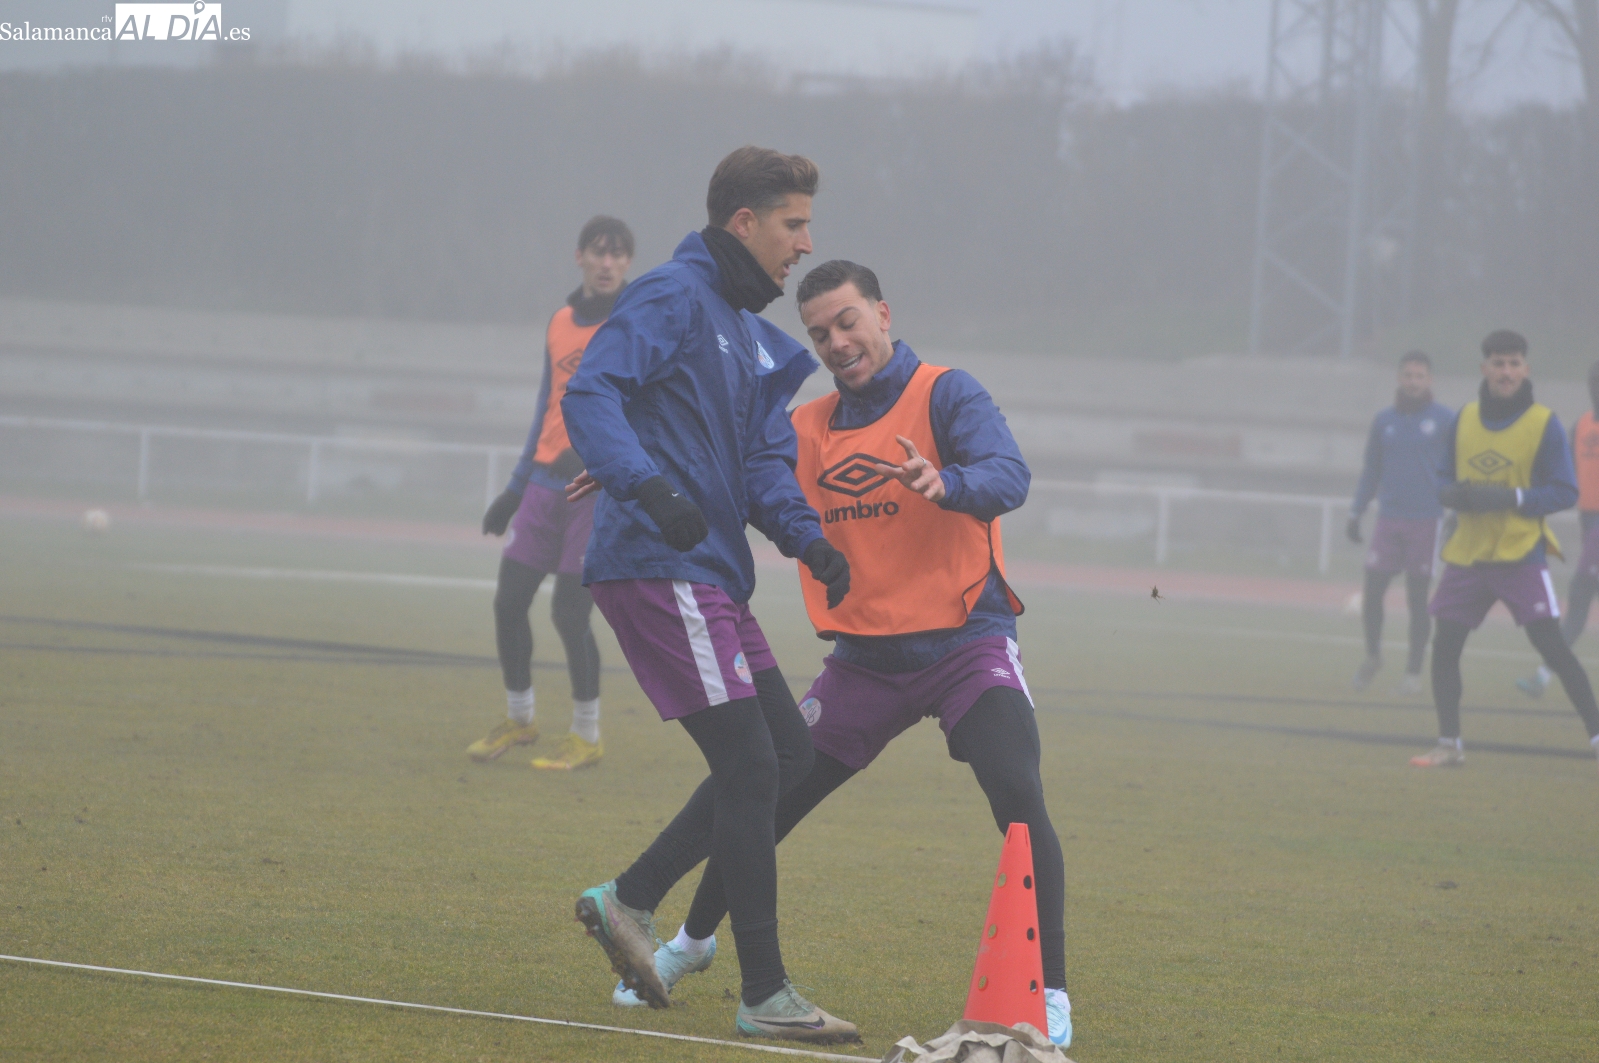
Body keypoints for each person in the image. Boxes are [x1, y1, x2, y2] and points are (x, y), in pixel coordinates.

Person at [611, 260, 1074, 1048]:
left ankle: (1050, 992)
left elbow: (1009, 474)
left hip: (967, 642)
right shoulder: (807, 426)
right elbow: (723, 470)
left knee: (1017, 793)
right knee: (758, 791)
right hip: (863, 662)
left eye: (847, 321)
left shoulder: (946, 391)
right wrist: (627, 466)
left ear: (882, 313)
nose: (836, 341)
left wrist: (947, 479)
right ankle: (691, 941)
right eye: (820, 332)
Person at [559, 147, 859, 1044]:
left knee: (788, 755)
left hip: (713, 574)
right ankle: (764, 991)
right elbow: (593, 391)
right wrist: (645, 485)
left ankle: (629, 897)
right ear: (744, 223)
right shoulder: (670, 295)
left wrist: (808, 539)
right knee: (753, 766)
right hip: (659, 562)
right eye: (793, 224)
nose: (804, 244)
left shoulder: (748, 332)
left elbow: (765, 462)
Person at [468, 216, 633, 771]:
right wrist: (513, 490)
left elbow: (648, 410)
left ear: (628, 264)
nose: (608, 263)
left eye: (618, 254)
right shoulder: (560, 323)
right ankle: (520, 720)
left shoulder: (638, 324)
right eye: (598, 252)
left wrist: (597, 458)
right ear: (580, 257)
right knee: (508, 603)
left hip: (596, 492)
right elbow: (546, 406)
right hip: (542, 486)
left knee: (569, 613)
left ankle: (586, 735)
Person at [1412, 330, 1599, 771]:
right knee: (1445, 648)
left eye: (1514, 363)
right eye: (1498, 363)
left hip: (1520, 554)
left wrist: (1512, 499)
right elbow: (1441, 478)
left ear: (1525, 369)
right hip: (1469, 556)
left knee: (1553, 648)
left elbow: (1565, 492)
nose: (1506, 371)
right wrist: (1453, 495)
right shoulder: (1464, 418)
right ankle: (1449, 744)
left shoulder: (1544, 423)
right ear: (1485, 369)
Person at [1346, 351, 1454, 694]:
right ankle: (1373, 656)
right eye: (1408, 375)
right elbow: (1371, 469)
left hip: (1427, 520)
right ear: (1399, 378)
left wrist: (1458, 511)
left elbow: (1458, 468)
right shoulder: (1384, 421)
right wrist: (1356, 511)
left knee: (1417, 599)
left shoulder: (1445, 420)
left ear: (1429, 380)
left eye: (1419, 376)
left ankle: (1412, 673)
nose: (1413, 381)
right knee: (1373, 590)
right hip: (1389, 519)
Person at [1517, 360, 1599, 698]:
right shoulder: (1579, 425)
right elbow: (1557, 466)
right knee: (1577, 609)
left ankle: (1543, 675)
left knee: (1578, 601)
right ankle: (1543, 676)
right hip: (1589, 523)